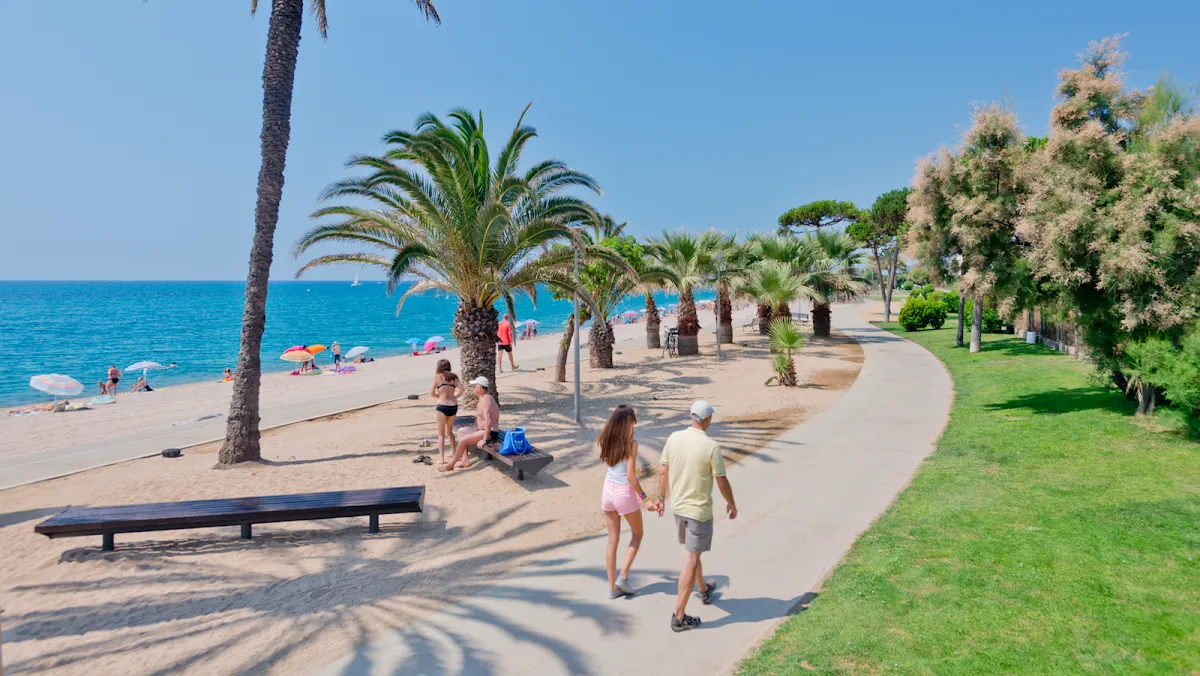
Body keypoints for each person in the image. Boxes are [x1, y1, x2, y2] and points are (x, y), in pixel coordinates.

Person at [654, 399, 737, 632]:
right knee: (690, 559)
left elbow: (663, 472)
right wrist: (731, 503)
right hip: (698, 512)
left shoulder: (674, 438)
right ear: (707, 419)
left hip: (678, 509)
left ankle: (703, 589)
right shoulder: (711, 446)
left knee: (693, 552)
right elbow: (721, 480)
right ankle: (679, 616)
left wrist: (660, 498)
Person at [598, 405, 659, 599]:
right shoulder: (631, 444)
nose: (634, 427)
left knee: (612, 541)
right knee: (637, 534)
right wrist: (646, 499)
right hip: (623, 493)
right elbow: (631, 476)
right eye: (633, 423)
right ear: (628, 423)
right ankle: (622, 577)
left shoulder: (605, 438)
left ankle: (612, 588)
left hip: (607, 491)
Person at [439, 376, 499, 472]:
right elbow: (480, 417)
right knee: (461, 432)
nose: (473, 388)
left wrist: (484, 439)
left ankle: (450, 465)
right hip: (481, 429)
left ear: (480, 388)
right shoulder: (483, 398)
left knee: (462, 441)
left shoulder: (486, 400)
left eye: (475, 386)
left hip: (489, 433)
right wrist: (474, 427)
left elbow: (488, 421)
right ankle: (464, 460)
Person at [429, 359, 464, 465]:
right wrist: (455, 397)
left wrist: (438, 396)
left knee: (441, 434)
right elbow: (461, 390)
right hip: (453, 406)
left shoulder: (438, 377)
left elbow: (431, 393)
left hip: (442, 406)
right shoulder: (454, 377)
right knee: (449, 431)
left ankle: (442, 458)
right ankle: (454, 452)